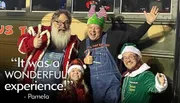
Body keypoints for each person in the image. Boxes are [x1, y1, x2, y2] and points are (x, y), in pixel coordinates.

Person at [78, 3, 159, 103]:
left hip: (112, 88)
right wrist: (84, 62)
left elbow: (134, 37)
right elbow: (77, 66)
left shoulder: (112, 37)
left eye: (96, 28)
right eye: (90, 27)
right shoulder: (83, 44)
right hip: (94, 90)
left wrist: (148, 23)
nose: (92, 31)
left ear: (102, 28)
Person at [17, 9, 79, 84]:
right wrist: (32, 42)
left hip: (56, 90)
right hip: (33, 85)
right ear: (52, 22)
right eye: (59, 22)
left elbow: (77, 59)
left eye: (66, 23)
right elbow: (21, 44)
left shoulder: (73, 42)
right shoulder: (40, 31)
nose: (62, 26)